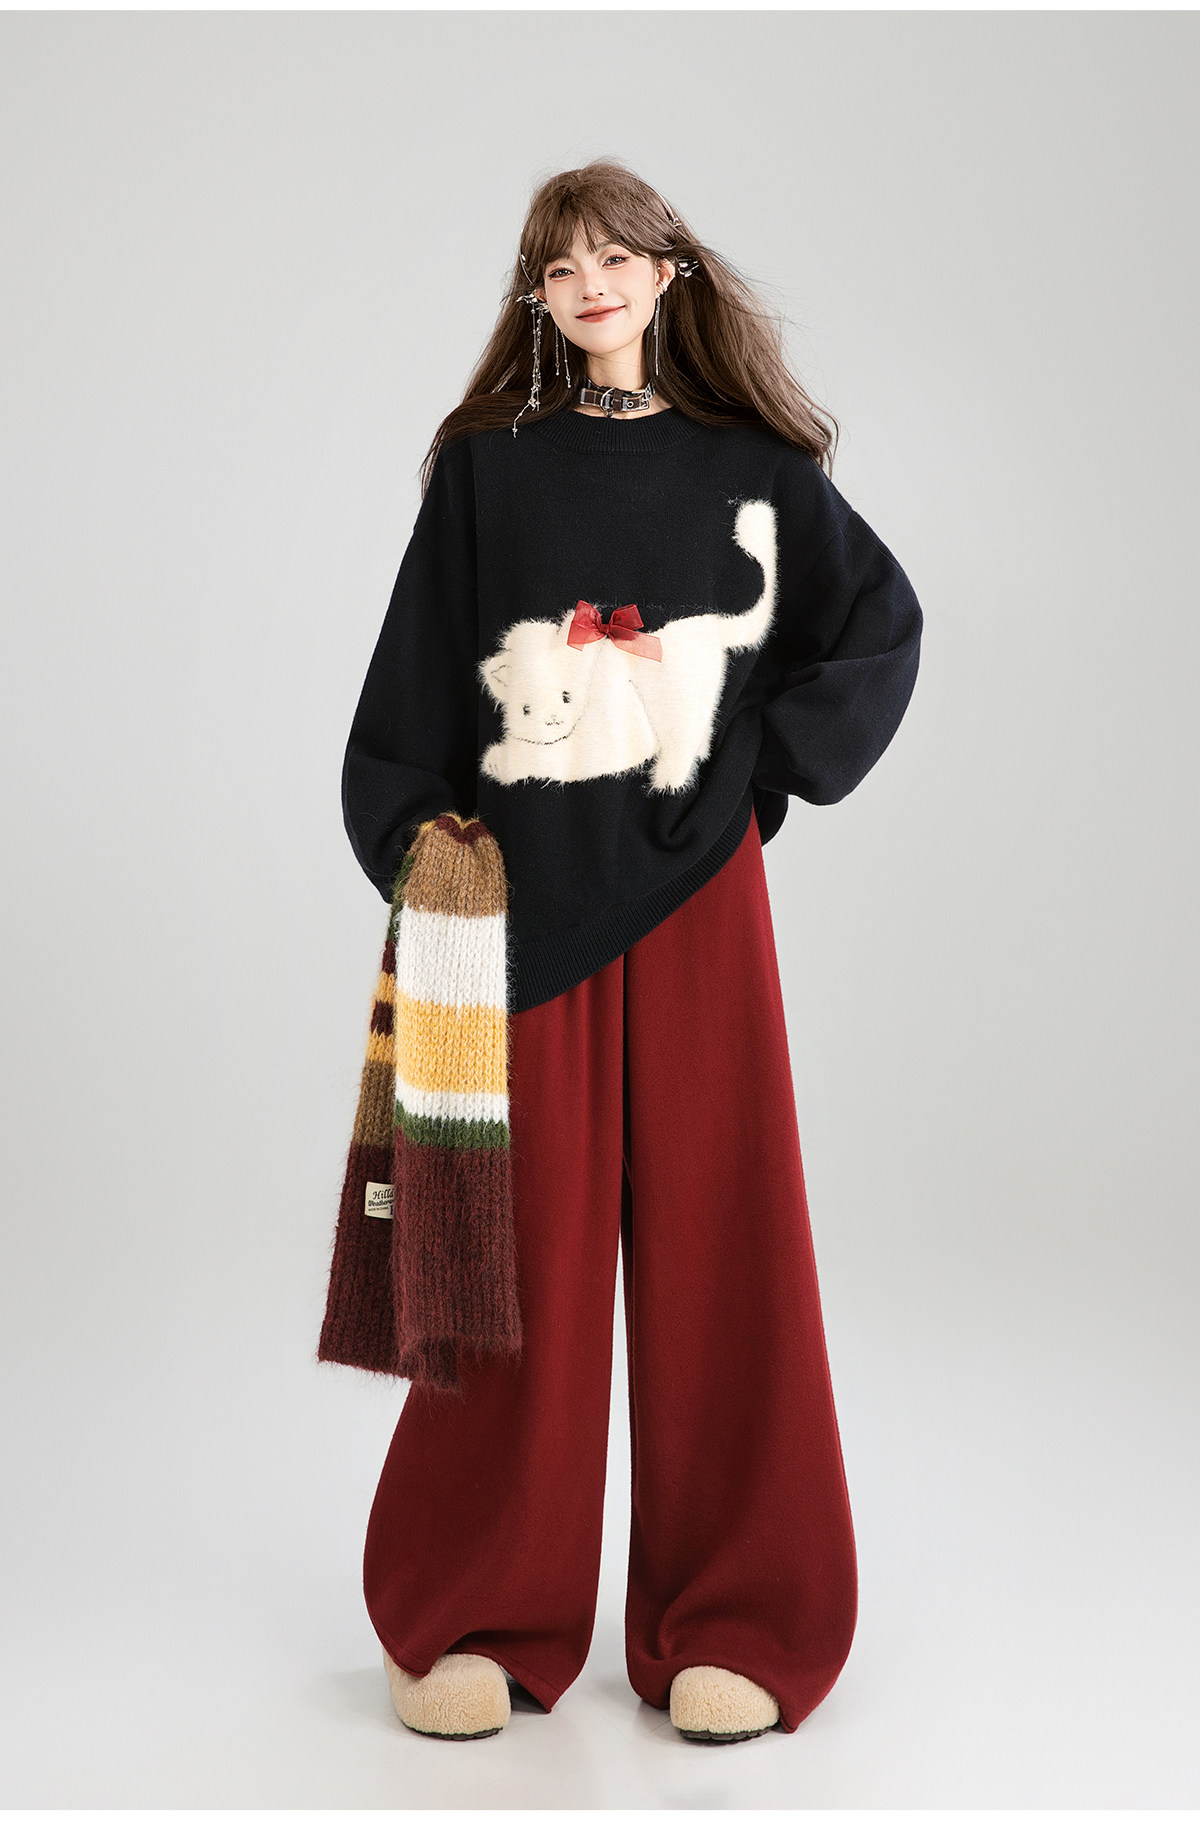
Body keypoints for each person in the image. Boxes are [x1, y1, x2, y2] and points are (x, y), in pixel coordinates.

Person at [329, 158, 924, 1743]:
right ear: (538, 298)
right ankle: (476, 1610)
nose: (588, 284)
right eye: (558, 266)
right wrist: (427, 853)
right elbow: (408, 698)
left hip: (700, 905)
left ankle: (740, 1612)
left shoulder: (757, 466)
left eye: (614, 256)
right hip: (519, 924)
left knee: (730, 1247)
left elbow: (879, 625)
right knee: (504, 1262)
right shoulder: (487, 469)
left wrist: (756, 765)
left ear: (669, 273)